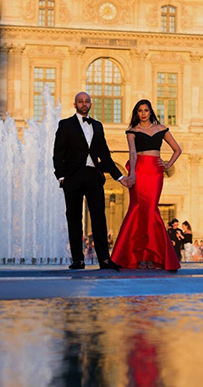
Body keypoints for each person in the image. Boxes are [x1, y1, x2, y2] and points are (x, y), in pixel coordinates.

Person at [53, 91, 134, 271]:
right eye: (80, 101)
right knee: (74, 218)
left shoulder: (97, 126)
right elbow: (58, 153)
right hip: (73, 177)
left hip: (93, 176)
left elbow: (104, 154)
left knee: (99, 217)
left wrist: (119, 177)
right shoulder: (65, 125)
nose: (84, 104)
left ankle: (104, 259)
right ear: (75, 105)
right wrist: (61, 177)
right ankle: (78, 260)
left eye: (86, 101)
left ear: (91, 104)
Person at [110, 100, 182, 271]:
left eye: (146, 110)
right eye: (140, 111)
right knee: (136, 209)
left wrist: (168, 164)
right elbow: (133, 153)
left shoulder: (161, 129)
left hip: (155, 172)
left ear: (150, 112)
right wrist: (132, 173)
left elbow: (177, 149)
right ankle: (134, 257)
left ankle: (154, 257)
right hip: (140, 171)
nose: (143, 113)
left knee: (151, 210)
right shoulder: (132, 131)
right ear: (137, 113)